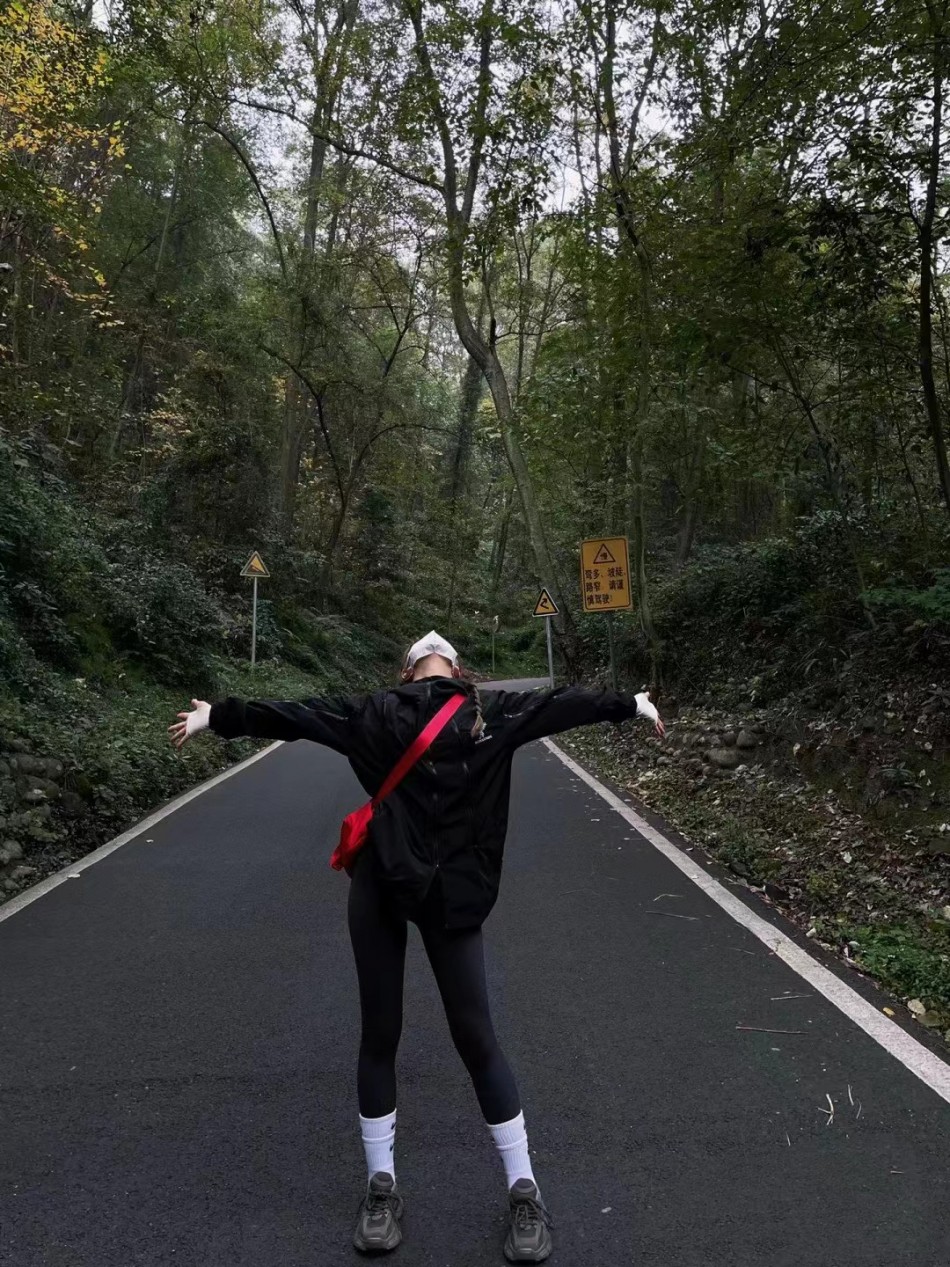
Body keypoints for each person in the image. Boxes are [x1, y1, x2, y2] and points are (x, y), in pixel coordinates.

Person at [169, 630, 664, 1263]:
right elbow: (565, 704)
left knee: (380, 1037)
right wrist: (632, 703)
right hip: (453, 894)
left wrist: (219, 715)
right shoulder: (494, 712)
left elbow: (298, 717)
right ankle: (524, 1192)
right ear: (458, 669)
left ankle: (382, 1193)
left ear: (406, 672)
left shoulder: (371, 712)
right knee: (478, 1039)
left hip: (380, 884)